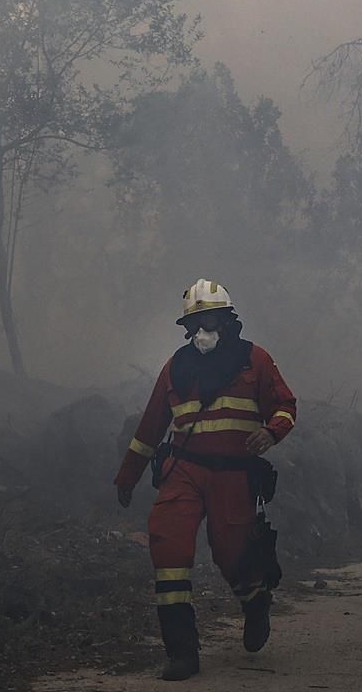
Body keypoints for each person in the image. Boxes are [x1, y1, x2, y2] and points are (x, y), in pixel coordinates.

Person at [113, 279, 298, 681]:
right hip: (184, 471)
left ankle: (255, 600)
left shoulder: (256, 361)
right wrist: (127, 476)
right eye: (193, 323)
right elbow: (149, 428)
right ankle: (182, 652)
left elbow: (285, 406)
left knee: (231, 554)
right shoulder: (175, 367)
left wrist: (271, 432)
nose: (201, 330)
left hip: (234, 475)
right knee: (168, 547)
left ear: (228, 321)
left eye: (209, 320)